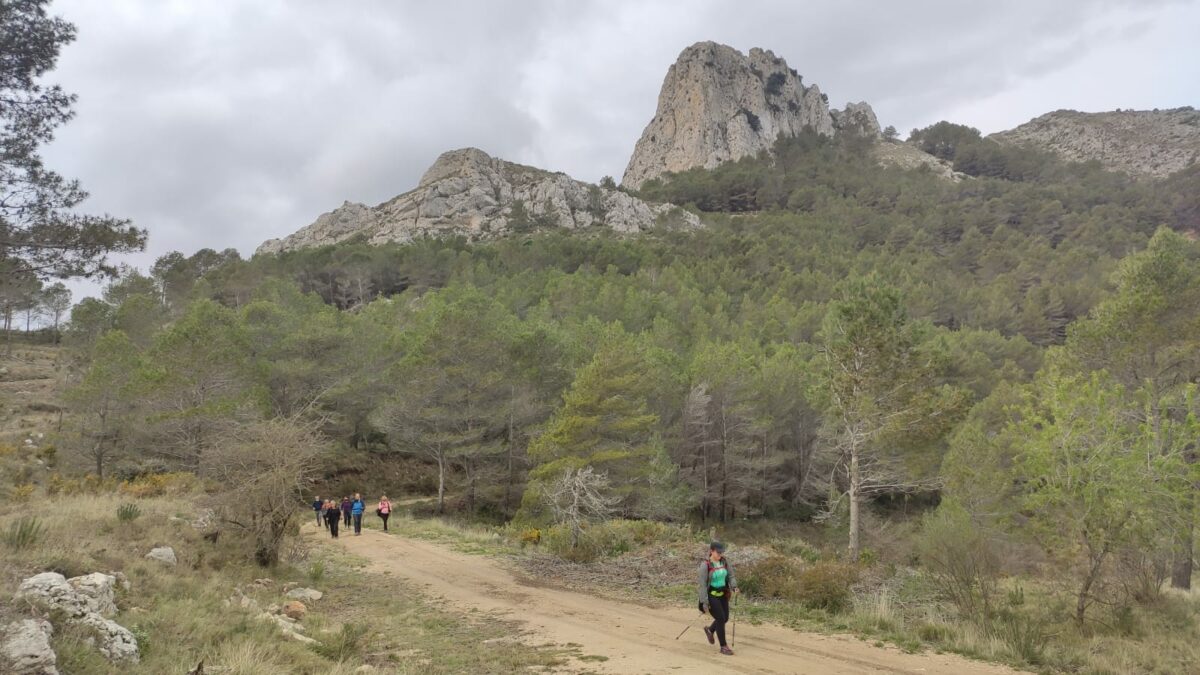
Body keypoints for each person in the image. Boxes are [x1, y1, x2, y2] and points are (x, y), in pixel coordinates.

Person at [698, 541, 738, 656]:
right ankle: (723, 646)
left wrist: (734, 586)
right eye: (718, 552)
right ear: (711, 551)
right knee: (720, 619)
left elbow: (731, 576)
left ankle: (710, 630)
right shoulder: (705, 565)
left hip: (723, 594)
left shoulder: (724, 562)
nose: (720, 554)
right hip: (711, 596)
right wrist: (704, 602)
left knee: (725, 618)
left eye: (721, 552)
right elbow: (702, 585)